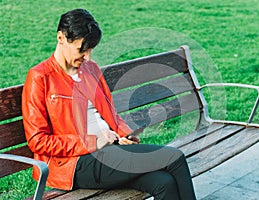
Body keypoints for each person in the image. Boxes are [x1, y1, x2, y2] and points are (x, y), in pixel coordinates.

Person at [22, 8, 196, 200]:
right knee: (175, 158)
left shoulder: (91, 69)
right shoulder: (40, 77)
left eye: (90, 49)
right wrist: (94, 142)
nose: (87, 56)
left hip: (110, 151)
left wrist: (124, 134)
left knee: (164, 183)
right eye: (82, 49)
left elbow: (110, 114)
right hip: (74, 164)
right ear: (61, 38)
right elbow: (38, 140)